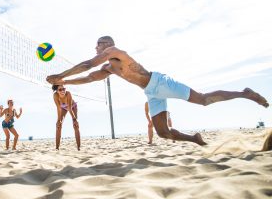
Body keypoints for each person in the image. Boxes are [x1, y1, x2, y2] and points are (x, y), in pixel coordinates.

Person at [47, 36, 269, 146]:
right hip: (151, 93)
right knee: (163, 133)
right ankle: (196, 139)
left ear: (106, 45)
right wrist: (63, 84)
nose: (96, 47)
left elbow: (88, 65)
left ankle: (245, 93)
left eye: (98, 44)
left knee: (203, 100)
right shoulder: (108, 68)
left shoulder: (115, 52)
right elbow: (88, 77)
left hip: (160, 82)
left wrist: (61, 76)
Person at [52, 85, 81, 151]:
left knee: (75, 125)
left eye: (64, 89)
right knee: (58, 126)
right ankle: (57, 148)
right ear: (57, 91)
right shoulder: (55, 95)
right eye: (60, 89)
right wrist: (58, 120)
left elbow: (70, 108)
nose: (63, 91)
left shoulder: (68, 94)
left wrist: (74, 119)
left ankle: (79, 148)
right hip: (63, 108)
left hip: (72, 107)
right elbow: (59, 108)